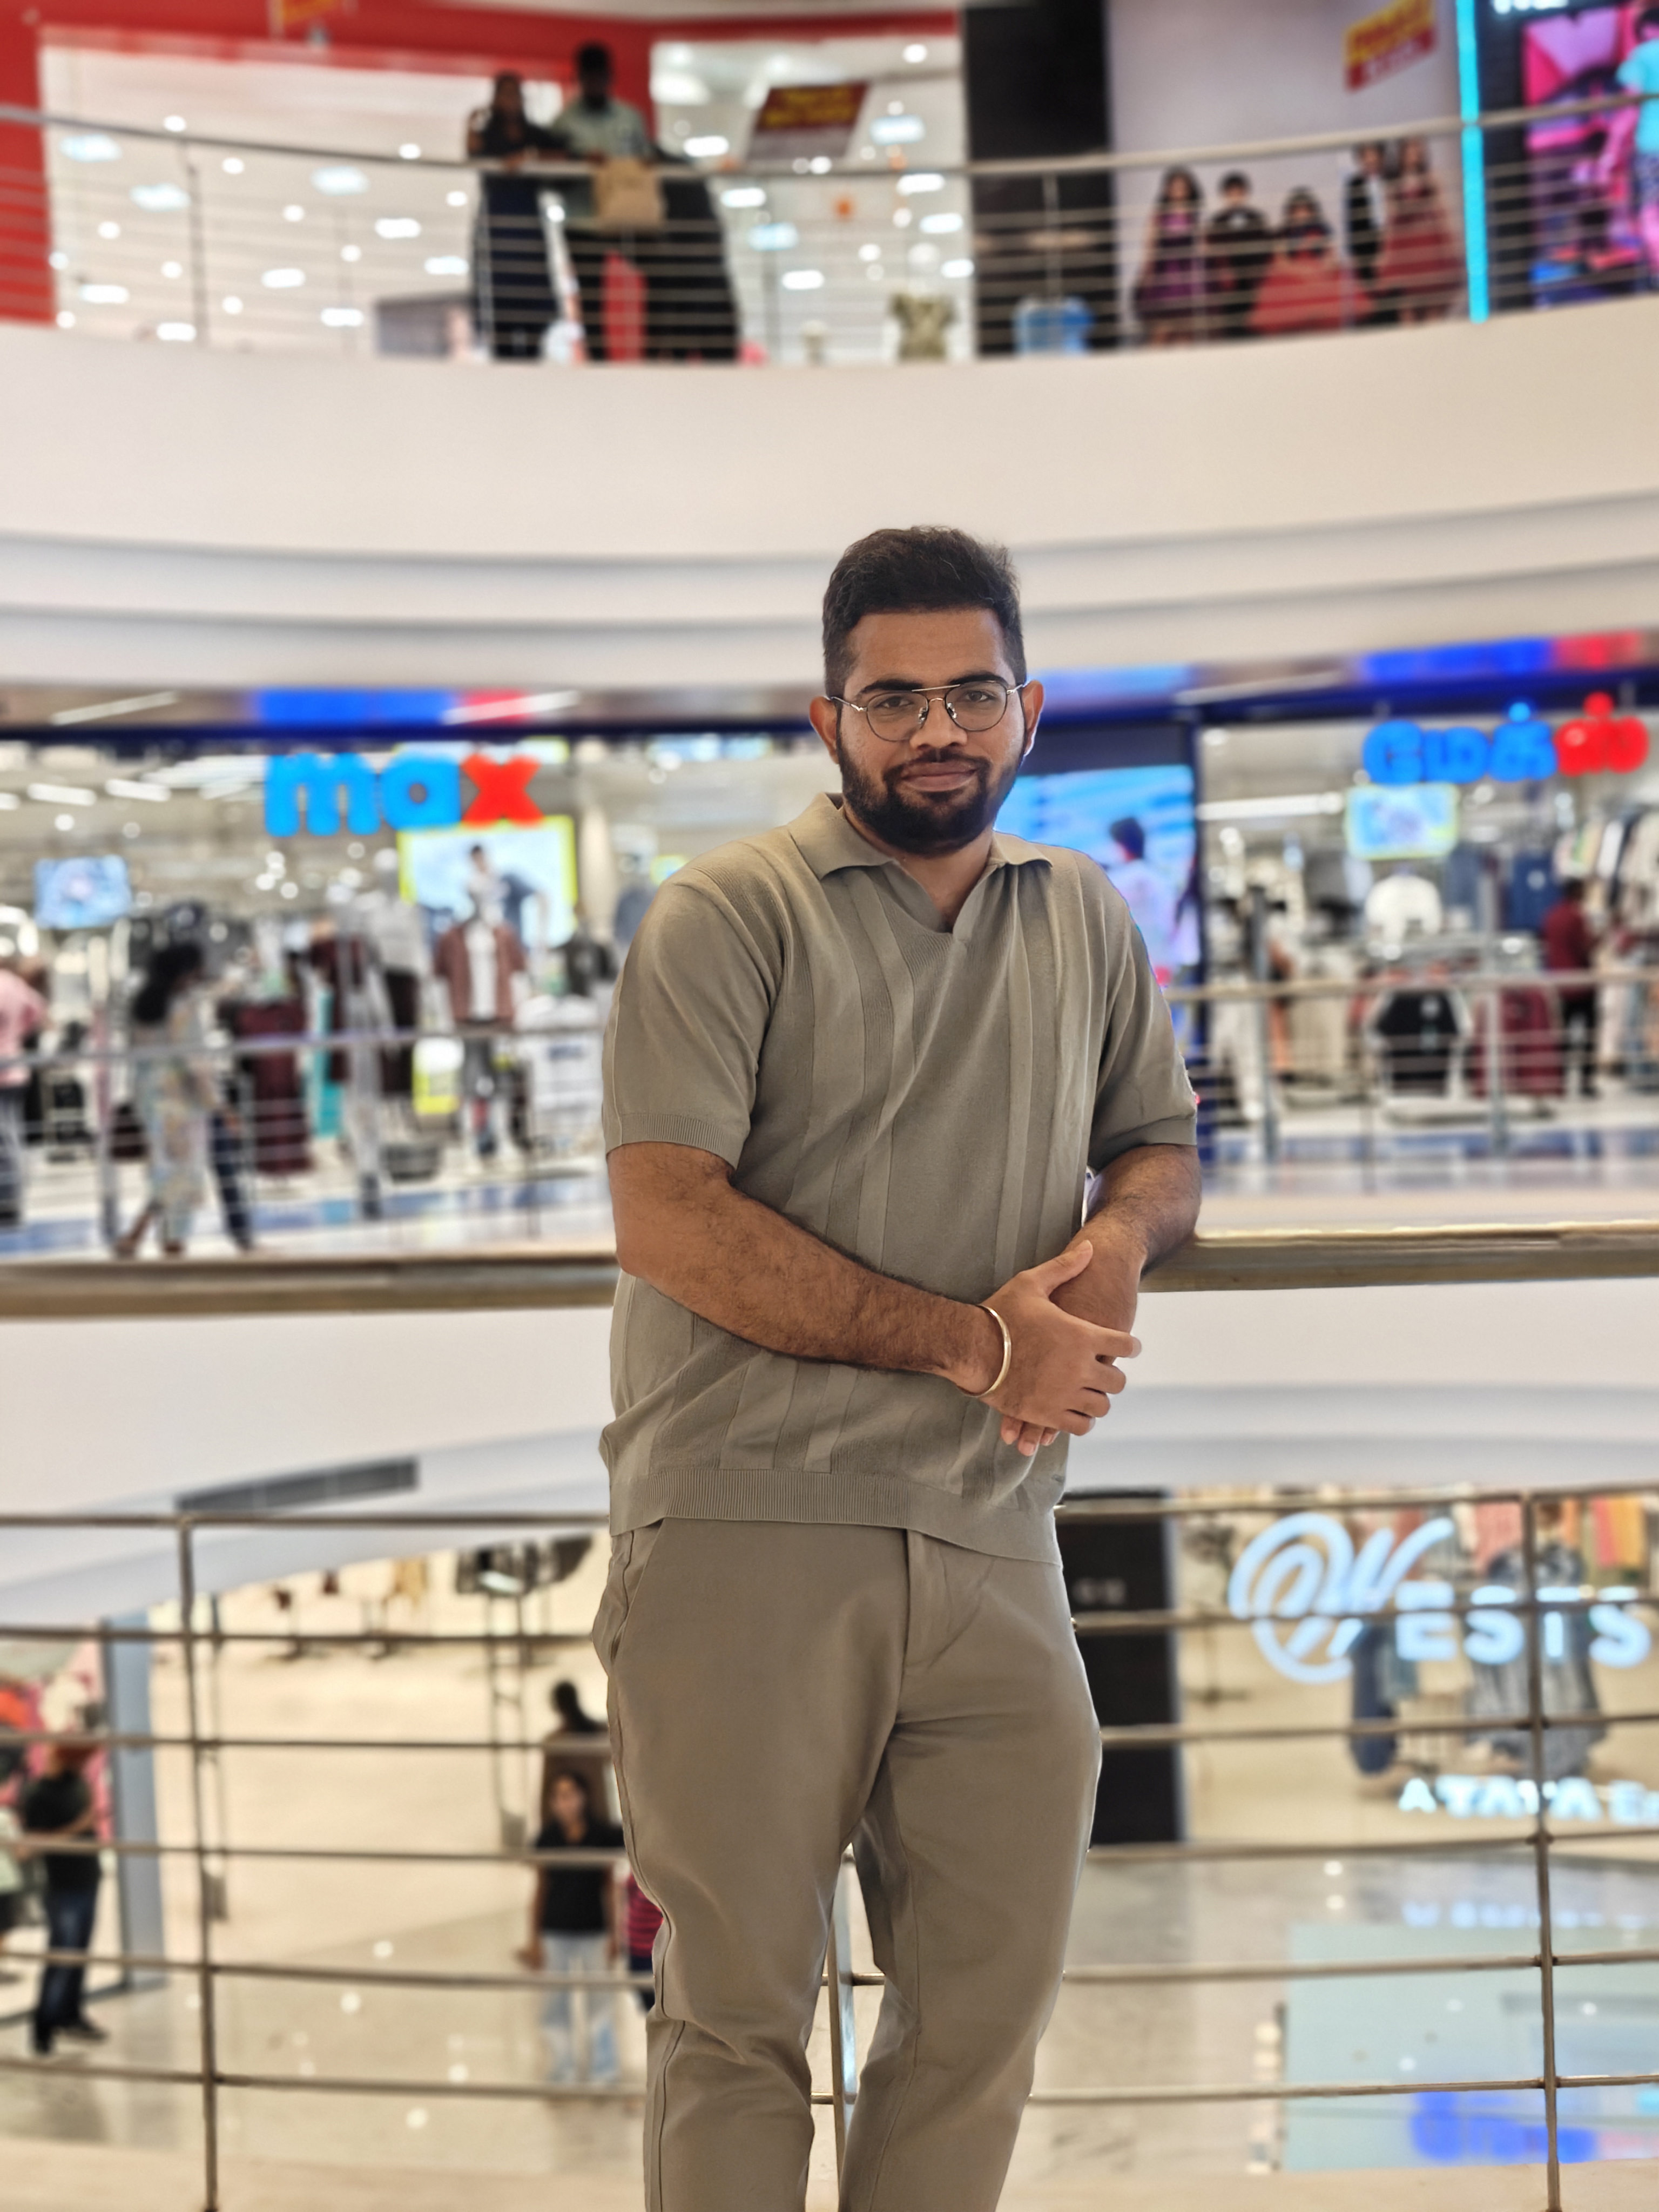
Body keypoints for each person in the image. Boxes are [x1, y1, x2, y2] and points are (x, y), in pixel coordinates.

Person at [598, 525, 1201, 2208]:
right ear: (829, 721)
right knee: (736, 2020)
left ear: (1029, 709)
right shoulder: (727, 915)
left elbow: (1160, 1147)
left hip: (996, 1534)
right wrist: (980, 1343)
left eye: (971, 694)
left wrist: (1116, 1247)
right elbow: (669, 1218)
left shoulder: (1080, 917)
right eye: (894, 700)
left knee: (980, 2021)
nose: (938, 729)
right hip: (748, 1527)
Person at [520, 1768, 624, 2086]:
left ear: (583, 1797)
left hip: (594, 1931)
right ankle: (562, 2068)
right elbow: (540, 1889)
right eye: (558, 1796)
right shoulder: (547, 1839)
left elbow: (610, 1886)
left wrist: (616, 1933)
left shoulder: (601, 1835)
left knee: (599, 2003)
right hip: (556, 1931)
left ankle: (603, 2069)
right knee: (554, 2005)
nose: (564, 1802)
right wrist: (534, 1940)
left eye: (569, 1795)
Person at [555, 42, 656, 365]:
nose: (596, 84)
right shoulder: (564, 123)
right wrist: (580, 162)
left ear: (609, 77)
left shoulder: (630, 117)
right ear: (580, 79)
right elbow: (553, 178)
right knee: (590, 297)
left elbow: (646, 157)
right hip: (583, 220)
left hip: (628, 216)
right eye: (589, 78)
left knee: (659, 275)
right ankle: (598, 365)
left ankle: (654, 354)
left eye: (601, 77)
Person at [117, 940, 216, 1259]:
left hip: (148, 1097)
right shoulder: (183, 1007)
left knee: (166, 1168)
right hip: (181, 1101)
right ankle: (166, 1240)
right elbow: (195, 1062)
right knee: (184, 1171)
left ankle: (144, 1234)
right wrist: (217, 1103)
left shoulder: (139, 1007)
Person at [466, 72, 565, 360]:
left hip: (527, 223)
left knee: (532, 308)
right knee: (500, 312)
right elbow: (473, 155)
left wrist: (529, 156)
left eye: (514, 94)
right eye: (504, 94)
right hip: (497, 225)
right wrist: (472, 123)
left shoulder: (533, 134)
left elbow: (563, 153)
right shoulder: (488, 135)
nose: (510, 100)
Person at [21, 1737, 106, 2058]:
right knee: (61, 1956)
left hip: (88, 1878)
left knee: (80, 1953)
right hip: (62, 1887)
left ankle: (70, 2015)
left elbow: (91, 1814)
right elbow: (32, 1846)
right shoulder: (37, 1794)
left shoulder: (78, 1784)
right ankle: (43, 2027)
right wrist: (78, 1827)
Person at [1599, 8, 1659, 286]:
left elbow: (1629, 110)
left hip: (1652, 148)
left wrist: (1608, 156)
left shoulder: (1640, 57)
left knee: (1651, 213)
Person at [1252, 187, 1358, 337]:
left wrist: (1325, 267)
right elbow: (1280, 262)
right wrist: (1302, 271)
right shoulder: (1284, 233)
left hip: (1320, 270)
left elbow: (1331, 255)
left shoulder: (1323, 231)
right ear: (1290, 213)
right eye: (1297, 211)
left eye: (1306, 210)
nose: (1301, 215)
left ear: (1313, 211)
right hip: (1292, 271)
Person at [1377, 137, 1459, 323]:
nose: (1416, 153)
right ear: (1402, 152)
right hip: (1404, 247)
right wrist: (1385, 254)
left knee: (1434, 304)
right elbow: (1390, 219)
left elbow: (1441, 211)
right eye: (1411, 148)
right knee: (1406, 305)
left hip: (1428, 245)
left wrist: (1450, 245)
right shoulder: (1394, 183)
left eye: (1419, 148)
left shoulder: (1431, 178)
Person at [1100, 817, 1179, 983]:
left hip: (1147, 962)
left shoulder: (1129, 878)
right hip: (1161, 958)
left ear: (1121, 845)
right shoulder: (1156, 875)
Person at [1132, 166, 1207, 343]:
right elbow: (1149, 247)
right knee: (1161, 331)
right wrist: (1146, 277)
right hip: (1164, 279)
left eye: (1183, 188)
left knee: (1185, 334)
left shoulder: (1193, 216)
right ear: (1167, 190)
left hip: (1186, 280)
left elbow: (1202, 248)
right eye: (1175, 187)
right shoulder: (1159, 216)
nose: (1179, 192)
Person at [1542, 878, 1601, 1098]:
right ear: (1576, 891)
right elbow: (1585, 947)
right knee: (1588, 1036)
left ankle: (1561, 1082)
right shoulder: (1576, 917)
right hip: (1582, 985)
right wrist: (1603, 935)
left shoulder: (1551, 916)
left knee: (1563, 1036)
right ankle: (1586, 1083)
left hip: (1561, 984)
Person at [0, 956, 45, 1228]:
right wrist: (16, 1036)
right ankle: (12, 1199)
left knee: (6, 1139)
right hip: (15, 1067)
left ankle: (8, 1201)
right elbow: (38, 1010)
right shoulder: (16, 985)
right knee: (12, 1136)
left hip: (4, 1073)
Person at [1204, 171, 1272, 341]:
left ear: (1246, 193)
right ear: (1224, 195)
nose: (1235, 197)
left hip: (1252, 278)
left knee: (1253, 320)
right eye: (1231, 193)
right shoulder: (1218, 221)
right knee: (1231, 323)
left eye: (1239, 192)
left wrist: (1258, 271)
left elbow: (1266, 245)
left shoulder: (1256, 217)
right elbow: (1211, 249)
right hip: (1228, 280)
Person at [539, 1677, 611, 1824]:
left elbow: (548, 1785)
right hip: (578, 1809)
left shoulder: (557, 1740)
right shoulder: (597, 1731)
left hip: (587, 1809)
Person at [1344, 142, 1391, 321]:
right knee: (1370, 292)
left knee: (1391, 289)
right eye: (1366, 155)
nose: (1371, 159)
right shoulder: (1354, 184)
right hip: (1366, 245)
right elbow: (1352, 219)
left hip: (1390, 241)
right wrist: (1353, 252)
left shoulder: (1390, 178)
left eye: (1374, 154)